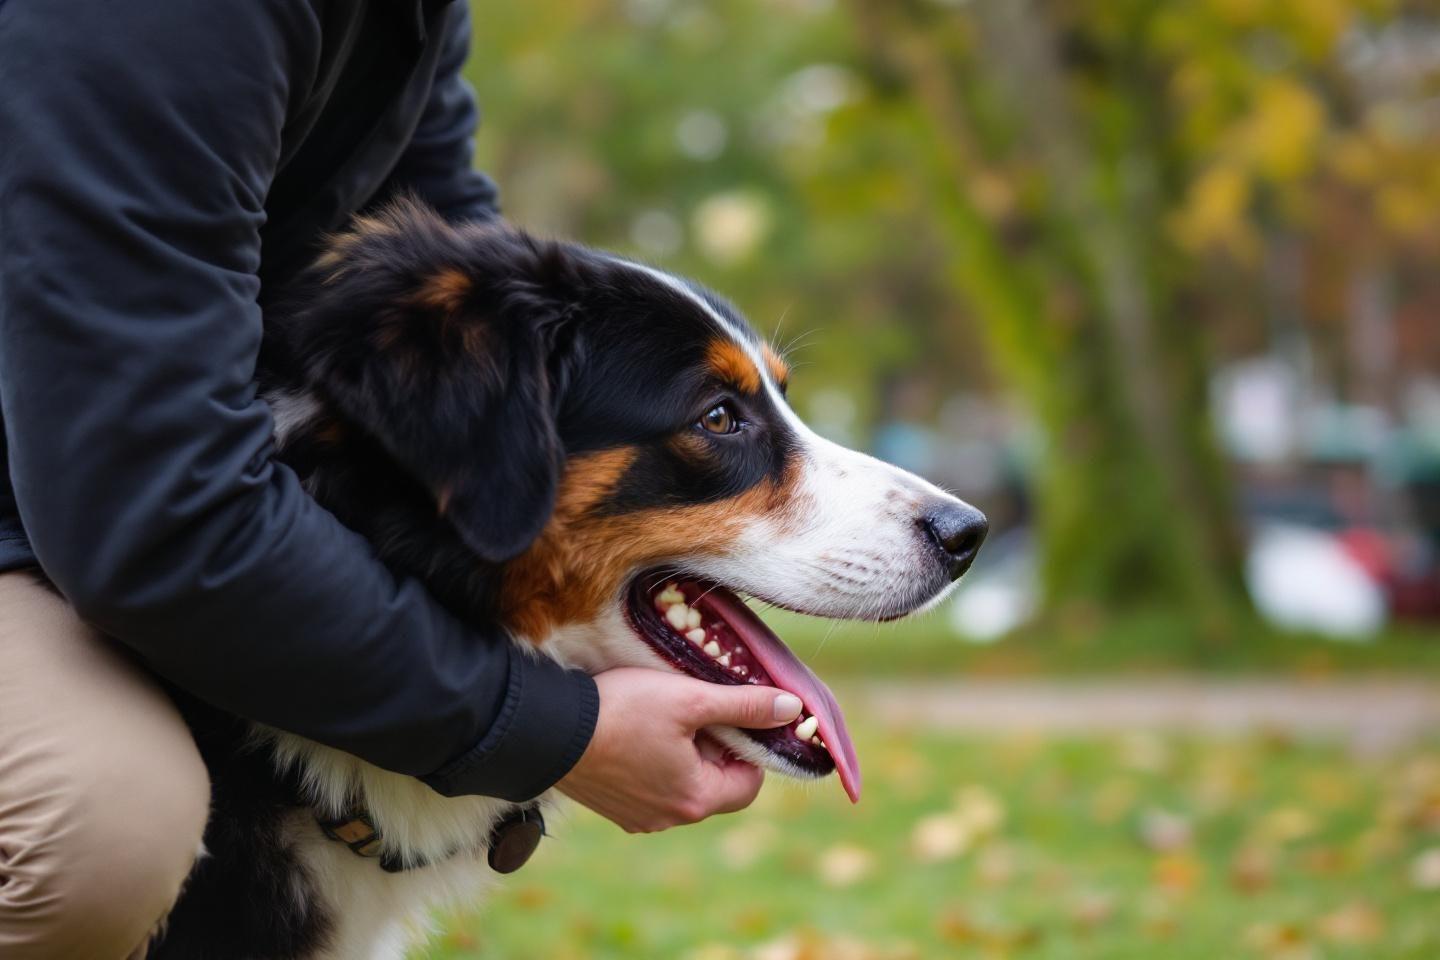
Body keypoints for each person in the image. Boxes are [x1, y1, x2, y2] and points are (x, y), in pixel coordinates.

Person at [0, 3, 803, 957]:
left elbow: (456, 269)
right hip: (90, 504)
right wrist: (555, 730)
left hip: (105, 489)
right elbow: (159, 511)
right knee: (97, 828)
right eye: (719, 421)